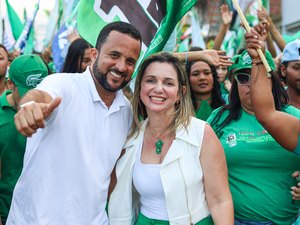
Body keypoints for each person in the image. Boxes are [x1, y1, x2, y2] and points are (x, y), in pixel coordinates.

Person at [7, 21, 142, 225]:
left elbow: (111, 173)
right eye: (114, 55)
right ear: (95, 55)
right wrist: (30, 107)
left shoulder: (127, 111)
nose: (121, 66)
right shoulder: (63, 84)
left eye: (130, 61)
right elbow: (39, 96)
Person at [108, 52, 234, 225]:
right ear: (140, 87)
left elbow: (220, 201)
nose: (158, 89)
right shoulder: (130, 136)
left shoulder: (201, 132)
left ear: (180, 93)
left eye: (168, 83)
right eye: (151, 80)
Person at [207, 48, 300, 224]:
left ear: (273, 80)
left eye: (259, 75)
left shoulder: (293, 116)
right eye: (243, 78)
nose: (251, 83)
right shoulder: (219, 118)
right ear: (234, 83)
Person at [0, 54, 49, 225]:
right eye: (26, 93)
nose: (33, 100)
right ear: (10, 84)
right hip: (8, 213)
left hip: (43, 214)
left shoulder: (52, 110)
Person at [185, 47, 225, 120]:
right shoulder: (179, 111)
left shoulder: (227, 107)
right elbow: (158, 57)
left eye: (207, 73)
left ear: (213, 76)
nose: (202, 78)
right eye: (195, 74)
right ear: (187, 78)